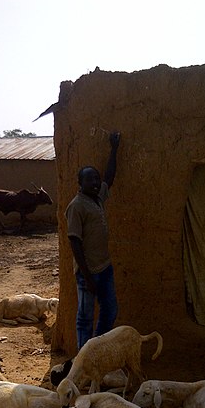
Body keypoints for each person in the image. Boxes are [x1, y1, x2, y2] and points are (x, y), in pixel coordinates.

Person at [66, 131, 121, 350]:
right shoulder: (76, 206)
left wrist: (114, 150)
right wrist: (87, 275)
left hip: (105, 268)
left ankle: (96, 349)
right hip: (88, 272)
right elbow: (74, 242)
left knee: (110, 310)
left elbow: (110, 177)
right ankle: (84, 358)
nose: (96, 182)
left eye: (96, 179)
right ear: (80, 183)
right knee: (85, 318)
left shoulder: (97, 198)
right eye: (90, 179)